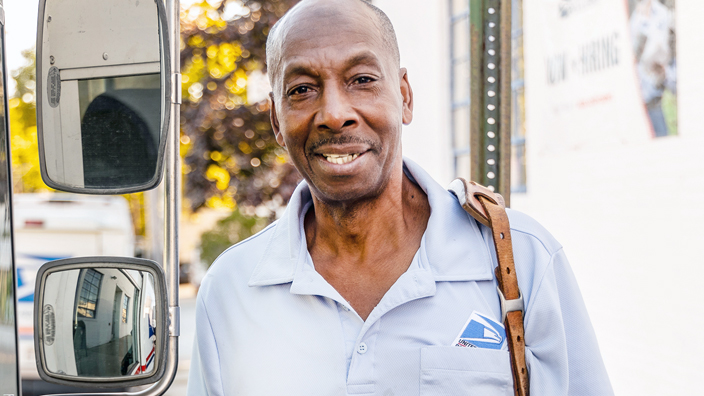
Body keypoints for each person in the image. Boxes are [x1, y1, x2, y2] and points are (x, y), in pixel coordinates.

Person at [187, 0, 613, 394]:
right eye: (302, 89)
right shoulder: (230, 292)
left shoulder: (521, 258)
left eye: (362, 80)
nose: (335, 113)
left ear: (405, 96)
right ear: (277, 120)